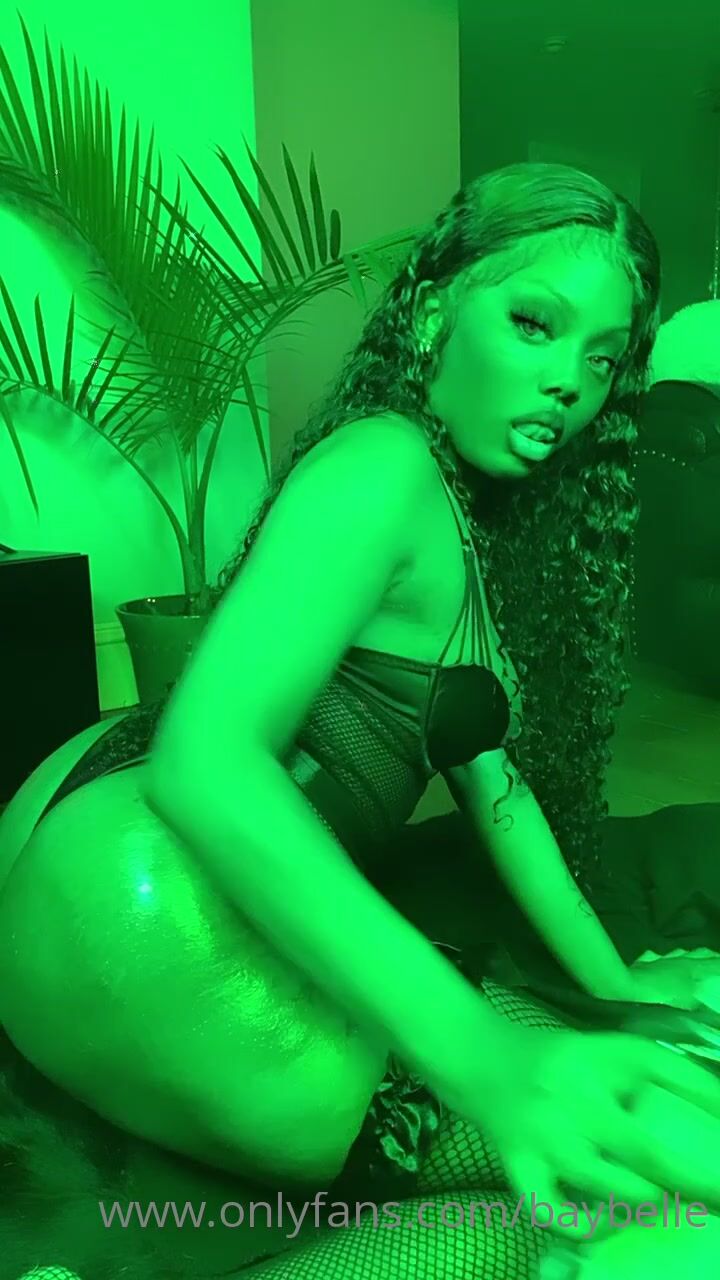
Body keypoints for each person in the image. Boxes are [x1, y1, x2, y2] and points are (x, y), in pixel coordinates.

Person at [2, 161, 720, 1280]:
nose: (566, 384)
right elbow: (205, 759)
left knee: (626, 1133)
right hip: (149, 889)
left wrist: (618, 992)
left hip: (129, 860)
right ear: (433, 314)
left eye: (601, 359)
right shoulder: (382, 463)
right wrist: (483, 1052)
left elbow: (502, 799)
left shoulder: (467, 519)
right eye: (534, 324)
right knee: (619, 1172)